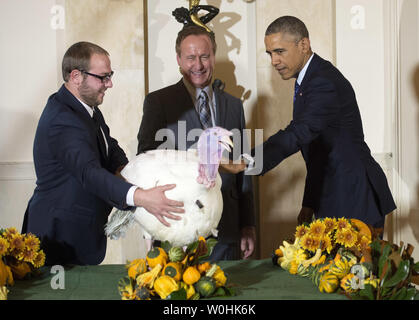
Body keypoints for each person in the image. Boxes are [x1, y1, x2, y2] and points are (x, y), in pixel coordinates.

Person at [224, 16, 396, 229]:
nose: (274, 61)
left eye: (280, 51)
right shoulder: (309, 79)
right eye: (270, 54)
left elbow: (299, 132)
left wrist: (248, 159)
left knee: (354, 264)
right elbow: (318, 150)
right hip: (336, 194)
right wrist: (310, 202)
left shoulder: (322, 81)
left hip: (354, 195)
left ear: (303, 45)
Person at [22, 42, 184, 266]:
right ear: (76, 76)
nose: (110, 84)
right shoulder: (63, 118)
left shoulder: (84, 108)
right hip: (58, 239)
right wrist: (142, 197)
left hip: (79, 235)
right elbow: (90, 173)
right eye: (103, 77)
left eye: (110, 75)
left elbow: (110, 147)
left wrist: (134, 173)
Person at [137, 25, 256, 260]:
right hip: (178, 229)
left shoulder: (234, 106)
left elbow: (244, 168)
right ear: (179, 60)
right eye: (190, 57)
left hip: (227, 230)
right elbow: (146, 163)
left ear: (213, 56)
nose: (198, 65)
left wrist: (247, 224)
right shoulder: (158, 102)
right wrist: (148, 227)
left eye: (204, 56)